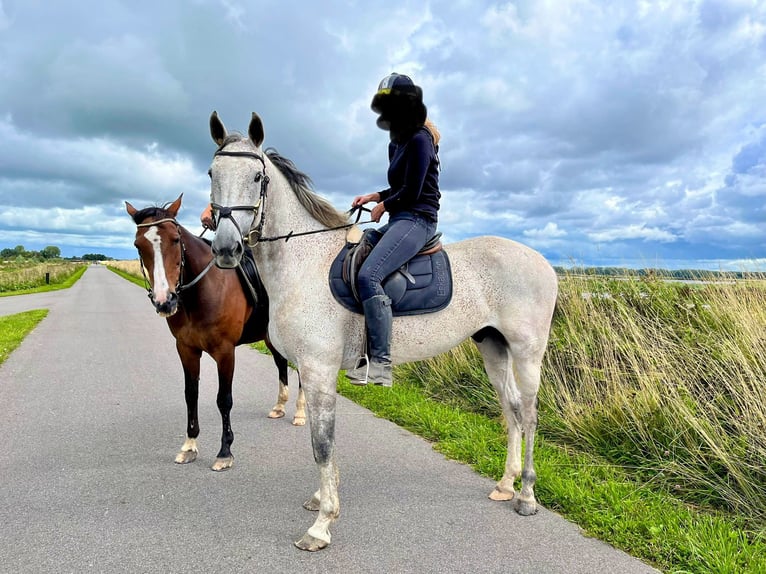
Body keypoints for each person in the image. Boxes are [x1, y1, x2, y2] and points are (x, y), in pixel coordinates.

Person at [346, 73, 441, 387]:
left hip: (418, 220)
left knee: (368, 275)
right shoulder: (397, 142)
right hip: (400, 218)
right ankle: (357, 354)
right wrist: (375, 196)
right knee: (355, 254)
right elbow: (398, 186)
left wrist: (384, 206)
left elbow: (413, 191)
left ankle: (382, 365)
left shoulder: (419, 139)